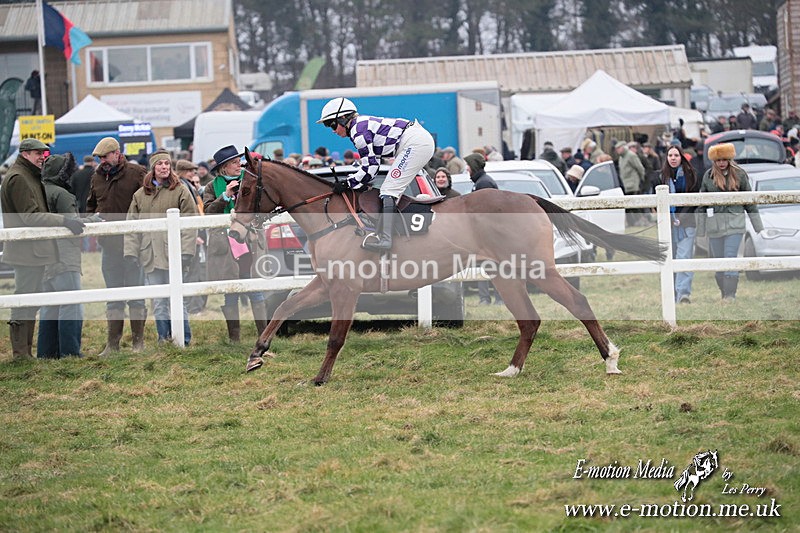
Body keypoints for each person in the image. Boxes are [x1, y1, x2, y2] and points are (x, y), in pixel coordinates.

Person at [1, 138, 86, 359]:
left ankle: (26, 353)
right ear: (25, 153)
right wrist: (64, 221)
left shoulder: (28, 175)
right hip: (26, 252)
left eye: (44, 154)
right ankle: (21, 354)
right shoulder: (20, 177)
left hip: (33, 251)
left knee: (31, 303)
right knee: (23, 302)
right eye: (39, 153)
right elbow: (30, 216)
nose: (42, 157)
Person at [317, 97, 435, 252]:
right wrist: (355, 181)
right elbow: (372, 168)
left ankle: (386, 239)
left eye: (331, 124)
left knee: (388, 190)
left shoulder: (358, 131)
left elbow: (371, 167)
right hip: (415, 141)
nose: (332, 130)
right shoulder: (359, 127)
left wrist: (348, 183)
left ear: (343, 118)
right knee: (390, 188)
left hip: (416, 143)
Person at [124, 151, 198, 344]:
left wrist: (187, 252)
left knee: (177, 300)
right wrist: (131, 252)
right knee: (158, 301)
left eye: (167, 164)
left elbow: (191, 222)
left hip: (174, 254)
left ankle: (184, 338)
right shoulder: (140, 195)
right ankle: (163, 339)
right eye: (160, 164)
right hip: (150, 254)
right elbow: (132, 226)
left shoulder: (181, 190)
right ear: (153, 168)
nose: (164, 167)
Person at [86, 136, 148, 355]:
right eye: (99, 158)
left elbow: (148, 202)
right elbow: (91, 205)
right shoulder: (97, 177)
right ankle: (112, 344)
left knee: (136, 294)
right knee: (113, 295)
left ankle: (138, 343)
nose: (102, 160)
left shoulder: (136, 172)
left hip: (132, 243)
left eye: (105, 156)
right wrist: (93, 218)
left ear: (116, 153)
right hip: (109, 244)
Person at [38, 153, 102, 358]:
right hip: (64, 256)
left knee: (50, 306)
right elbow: (74, 225)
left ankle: (47, 353)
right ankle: (70, 352)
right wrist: (95, 219)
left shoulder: (39, 191)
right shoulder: (62, 195)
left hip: (44, 256)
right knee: (71, 304)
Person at [203, 145, 269, 341]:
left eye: (239, 161)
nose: (239, 165)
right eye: (234, 163)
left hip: (250, 242)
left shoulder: (251, 181)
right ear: (224, 168)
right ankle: (235, 340)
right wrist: (225, 196)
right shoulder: (211, 187)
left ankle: (263, 337)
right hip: (225, 245)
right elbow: (207, 212)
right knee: (231, 291)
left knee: (255, 290)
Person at [697, 143, 764, 301]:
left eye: (724, 159)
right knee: (719, 263)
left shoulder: (740, 174)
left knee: (730, 258)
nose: (721, 163)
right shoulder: (708, 176)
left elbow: (749, 201)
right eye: (718, 160)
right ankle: (724, 293)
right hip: (715, 226)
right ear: (714, 160)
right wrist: (701, 230)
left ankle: (730, 296)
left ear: (729, 159)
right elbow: (701, 204)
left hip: (735, 224)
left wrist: (757, 226)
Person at [660, 145, 700, 304]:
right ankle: (671, 294)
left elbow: (693, 200)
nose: (673, 158)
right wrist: (670, 219)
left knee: (684, 257)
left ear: (681, 157)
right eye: (670, 155)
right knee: (669, 258)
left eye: (676, 155)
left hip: (687, 222)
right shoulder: (661, 177)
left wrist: (680, 218)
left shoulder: (691, 175)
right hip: (667, 224)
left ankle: (683, 294)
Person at [464, 153, 502, 305]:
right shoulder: (481, 181)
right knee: (485, 266)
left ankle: (494, 298)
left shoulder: (483, 183)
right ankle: (485, 298)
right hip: (486, 233)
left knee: (492, 267)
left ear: (473, 166)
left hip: (489, 234)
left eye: (468, 165)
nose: (466, 168)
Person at [175, 159, 207, 314]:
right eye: (190, 171)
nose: (193, 173)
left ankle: (192, 307)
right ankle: (191, 308)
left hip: (195, 234)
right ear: (182, 172)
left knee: (196, 272)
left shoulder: (189, 186)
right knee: (192, 273)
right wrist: (193, 235)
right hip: (190, 237)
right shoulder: (183, 187)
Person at [616, 141, 646, 226]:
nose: (617, 150)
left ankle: (641, 221)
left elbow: (640, 168)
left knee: (635, 205)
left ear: (623, 147)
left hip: (633, 184)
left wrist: (641, 180)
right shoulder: (621, 158)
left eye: (619, 148)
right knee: (628, 206)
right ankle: (631, 222)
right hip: (625, 185)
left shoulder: (631, 155)